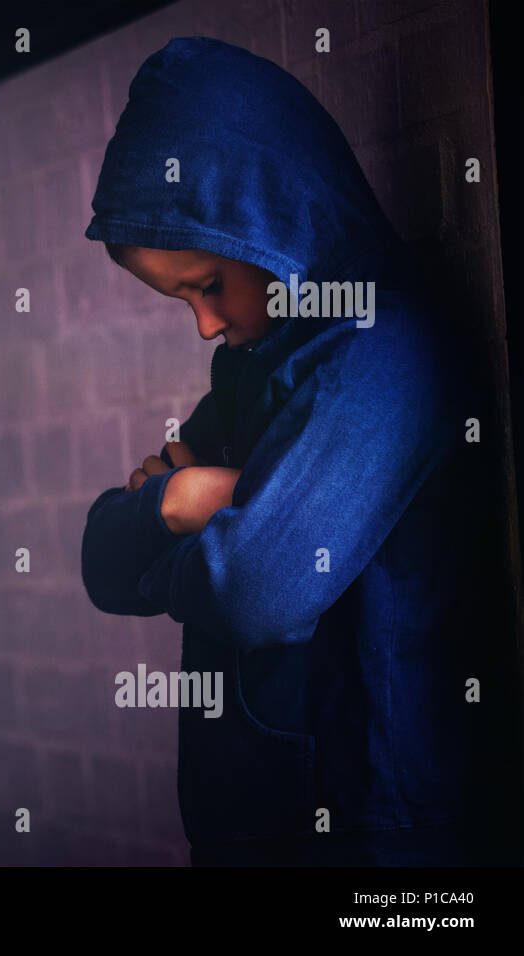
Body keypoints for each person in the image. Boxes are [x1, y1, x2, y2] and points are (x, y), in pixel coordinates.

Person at [80, 37, 518, 866]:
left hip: (375, 836)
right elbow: (99, 559)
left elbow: (255, 591)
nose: (206, 325)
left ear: (273, 221)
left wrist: (192, 516)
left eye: (208, 285)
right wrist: (198, 505)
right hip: (261, 829)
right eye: (184, 302)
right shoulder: (256, 368)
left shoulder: (380, 359)